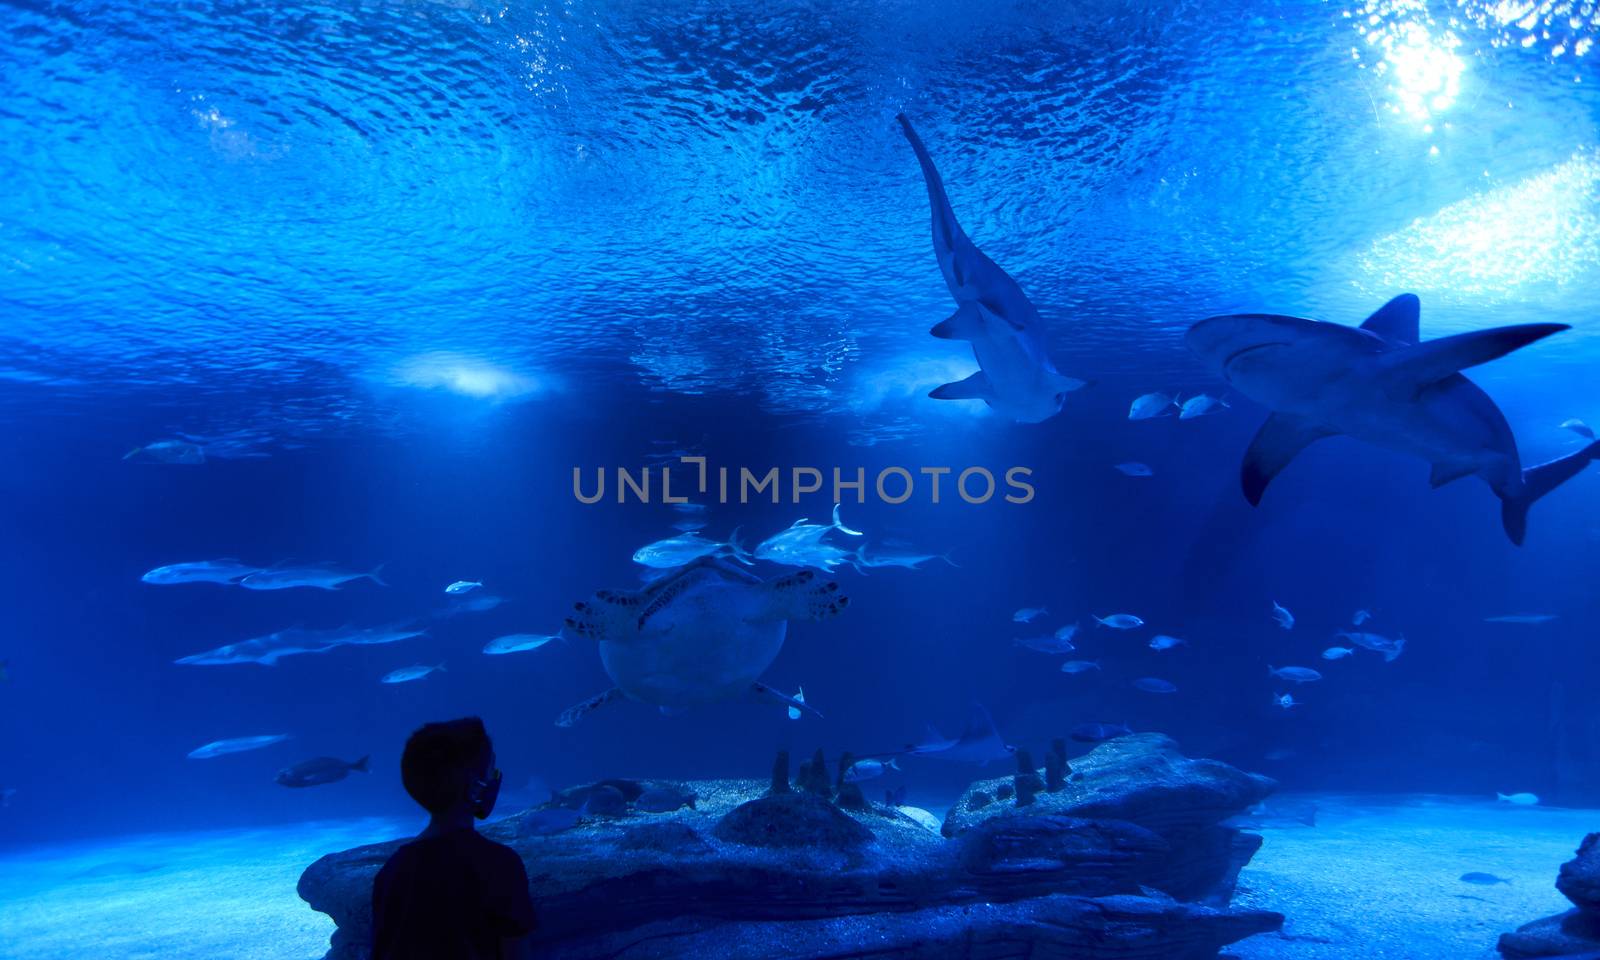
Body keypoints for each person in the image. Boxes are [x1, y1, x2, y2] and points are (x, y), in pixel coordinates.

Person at [372, 717, 537, 959]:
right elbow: (516, 952)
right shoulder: (499, 864)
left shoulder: (392, 869)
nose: (495, 778)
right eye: (491, 770)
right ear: (475, 785)